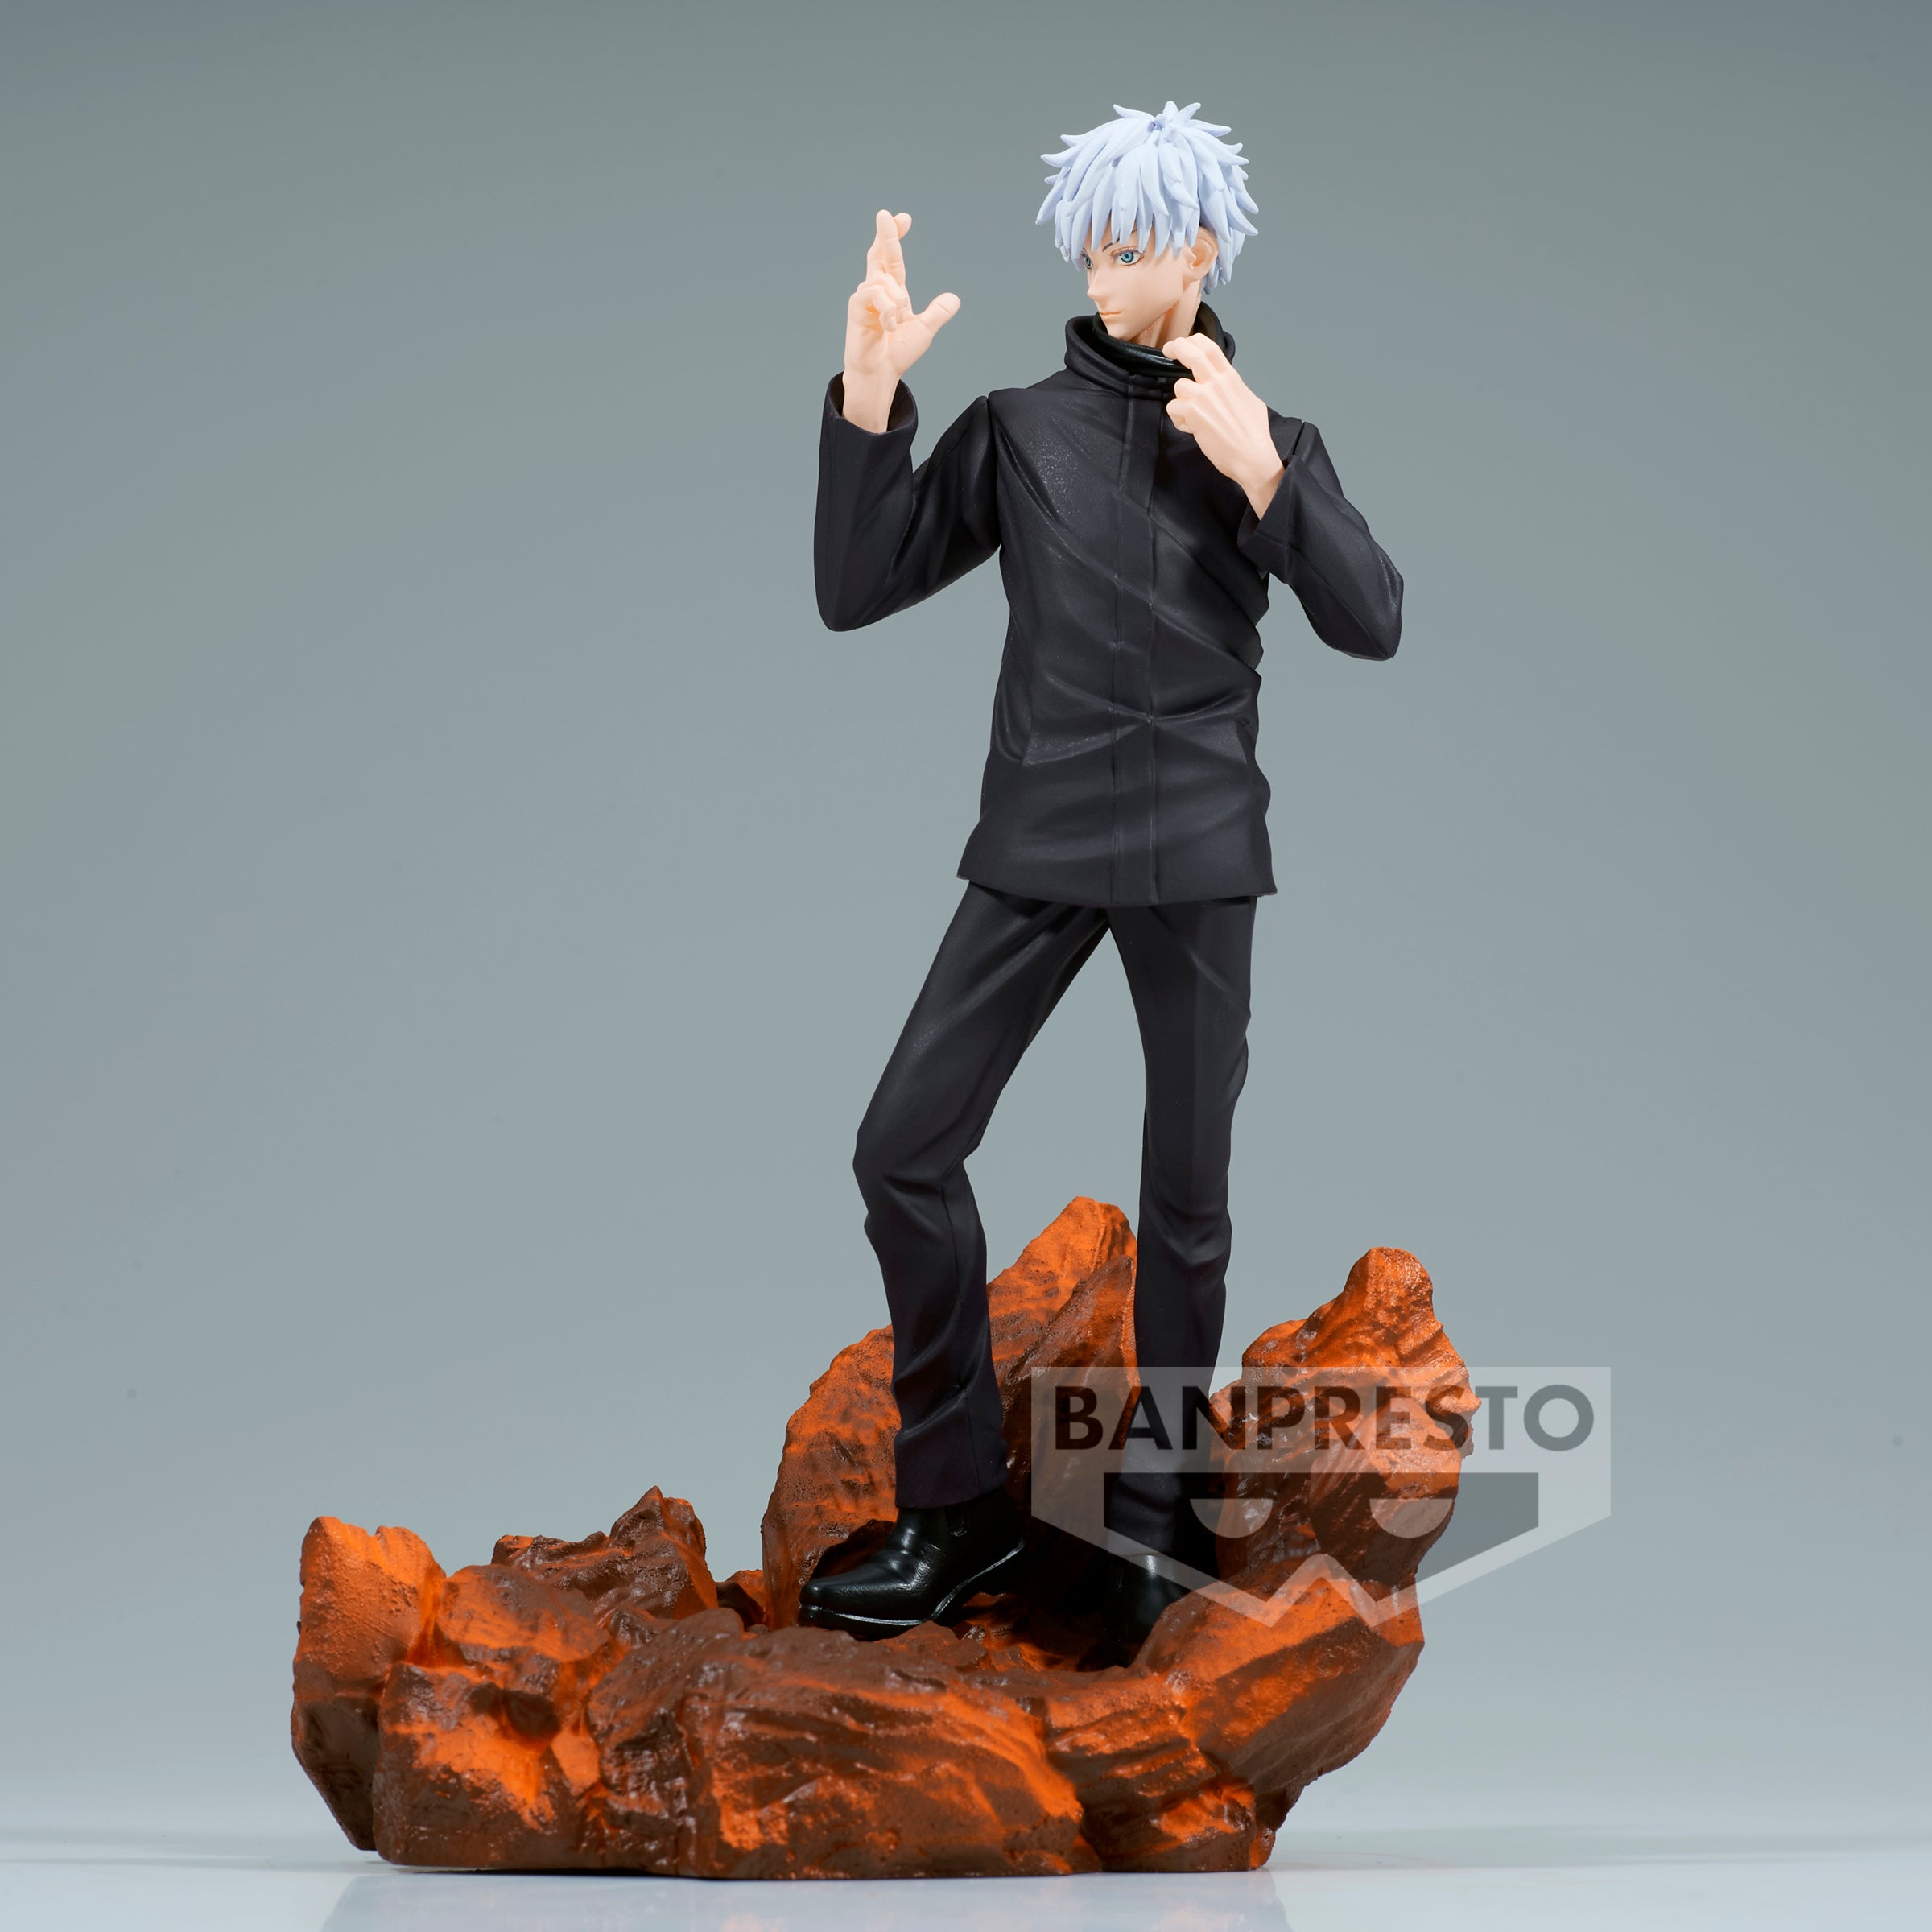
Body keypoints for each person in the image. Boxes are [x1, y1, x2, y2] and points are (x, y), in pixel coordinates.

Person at [799, 102, 1404, 1657]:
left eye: (1129, 243)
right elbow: (856, 587)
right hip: (1041, 838)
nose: (1100, 268)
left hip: (1198, 850)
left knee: (1187, 1201)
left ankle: (1155, 1516)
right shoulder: (1019, 429)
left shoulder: (1265, 437)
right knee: (901, 1148)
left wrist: (1265, 474)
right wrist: (869, 395)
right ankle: (955, 1509)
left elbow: (1374, 619)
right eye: (1089, 243)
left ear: (1198, 251)